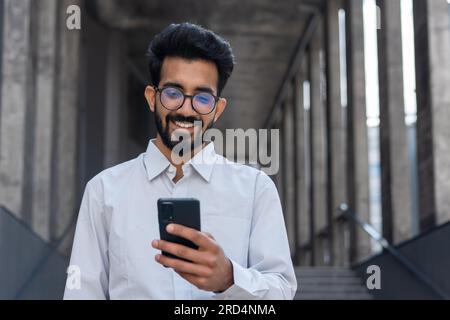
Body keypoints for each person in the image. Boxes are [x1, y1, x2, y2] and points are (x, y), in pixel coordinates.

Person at [64, 22, 297, 300]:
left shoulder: (256, 189)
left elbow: (281, 292)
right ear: (152, 98)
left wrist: (229, 278)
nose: (186, 109)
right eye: (173, 93)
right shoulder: (103, 191)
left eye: (201, 97)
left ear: (217, 109)